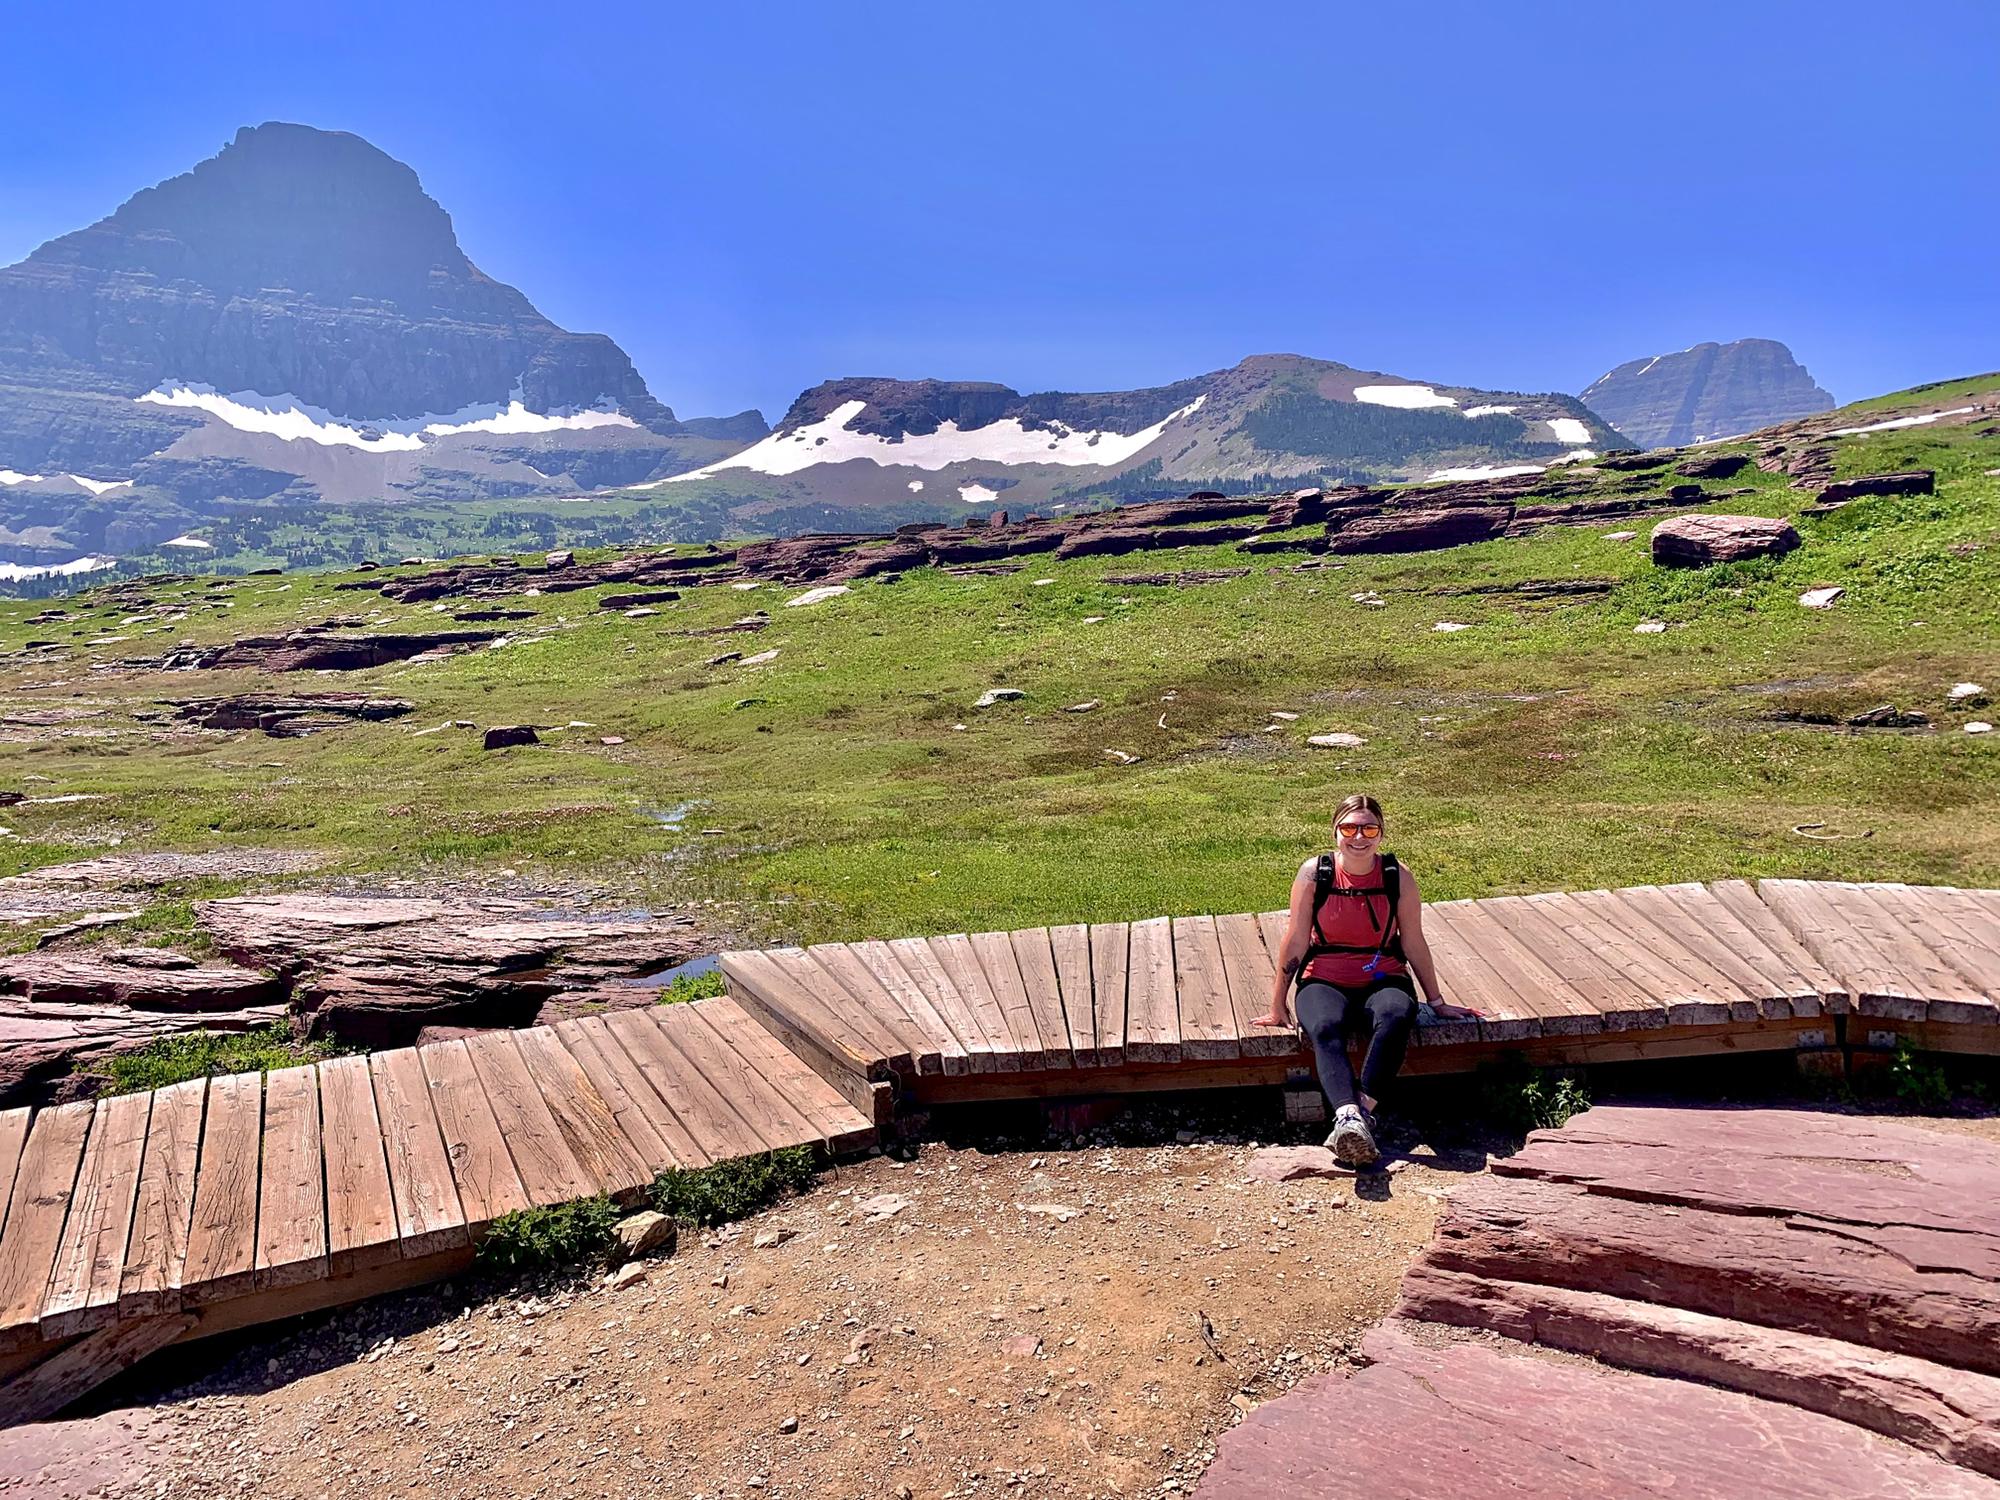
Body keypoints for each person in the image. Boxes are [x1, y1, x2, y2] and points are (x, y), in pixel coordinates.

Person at [1256, 793, 1479, 1166]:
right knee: (1324, 1026)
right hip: (1324, 975)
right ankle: (1350, 1117)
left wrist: (1436, 1001)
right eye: (1349, 828)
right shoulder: (1315, 873)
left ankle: (1356, 1116)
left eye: (1369, 828)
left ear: (1381, 834)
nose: (1359, 837)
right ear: (1335, 831)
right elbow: (1295, 938)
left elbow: (1412, 939)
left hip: (1383, 973)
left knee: (1396, 1015)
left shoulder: (1397, 875)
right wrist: (1278, 1004)